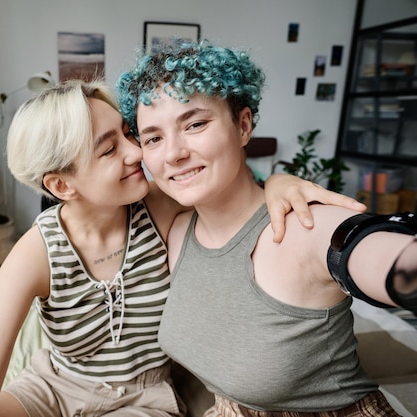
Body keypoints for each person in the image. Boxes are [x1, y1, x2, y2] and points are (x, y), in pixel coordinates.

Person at [0, 80, 367, 417]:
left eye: (128, 134)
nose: (135, 152)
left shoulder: (160, 207)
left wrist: (279, 182)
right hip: (54, 388)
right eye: (109, 150)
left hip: (144, 398)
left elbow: (232, 203)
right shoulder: (36, 252)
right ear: (61, 184)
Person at [116, 39, 417, 417]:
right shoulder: (175, 231)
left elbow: (388, 259)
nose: (173, 153)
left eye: (195, 124)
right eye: (154, 138)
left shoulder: (305, 224)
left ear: (243, 126)